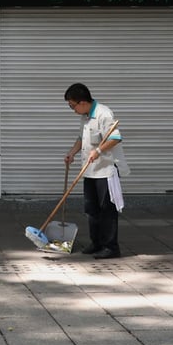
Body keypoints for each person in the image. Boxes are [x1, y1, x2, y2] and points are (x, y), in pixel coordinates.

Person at [63, 83, 125, 259]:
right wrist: (71, 153)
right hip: (89, 170)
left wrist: (98, 151)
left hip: (105, 170)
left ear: (82, 102)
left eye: (72, 105)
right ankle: (96, 242)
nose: (72, 109)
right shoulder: (85, 116)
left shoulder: (104, 114)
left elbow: (115, 138)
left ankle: (111, 247)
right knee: (91, 209)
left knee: (107, 209)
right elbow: (82, 138)